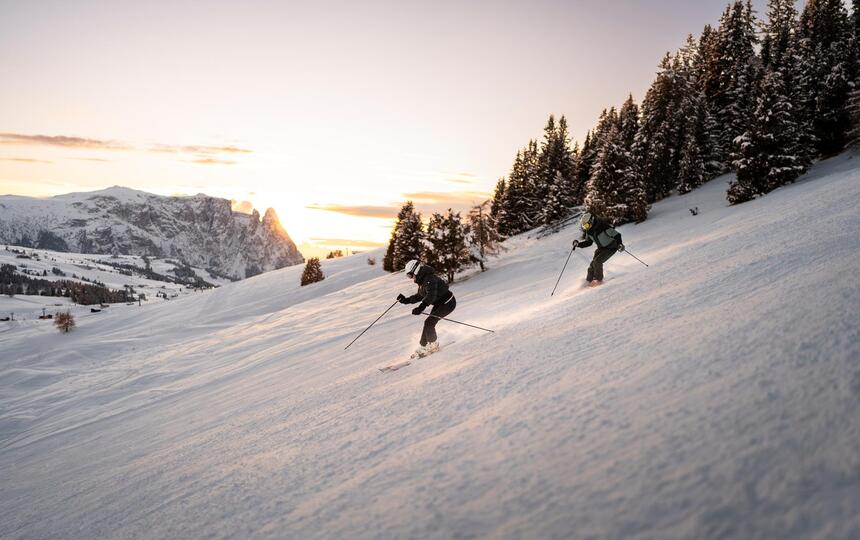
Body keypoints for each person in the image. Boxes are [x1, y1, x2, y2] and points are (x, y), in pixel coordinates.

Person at [397, 259, 457, 357]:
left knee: (429, 322)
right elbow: (420, 296)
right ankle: (424, 346)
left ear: (416, 270)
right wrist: (405, 300)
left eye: (410, 275)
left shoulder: (430, 278)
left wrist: (421, 307)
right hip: (440, 303)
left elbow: (431, 295)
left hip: (448, 302)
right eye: (409, 276)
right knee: (428, 322)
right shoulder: (423, 281)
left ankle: (433, 345)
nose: (410, 278)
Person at [572, 212, 625, 286]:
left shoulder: (603, 227)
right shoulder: (589, 231)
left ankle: (598, 280)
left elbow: (617, 235)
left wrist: (619, 244)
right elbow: (588, 242)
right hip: (601, 248)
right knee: (592, 266)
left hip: (611, 247)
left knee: (597, 262)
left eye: (586, 225)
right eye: (584, 226)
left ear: (591, 221)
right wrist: (578, 244)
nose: (586, 227)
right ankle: (588, 281)